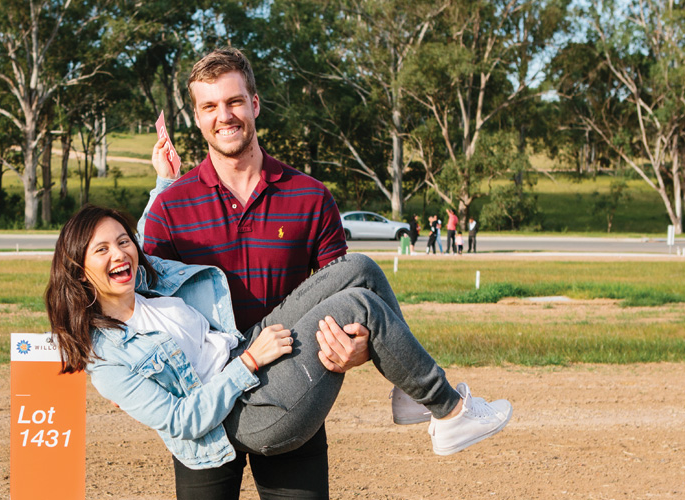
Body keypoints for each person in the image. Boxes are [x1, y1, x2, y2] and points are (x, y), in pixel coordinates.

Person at [139, 47, 504, 498]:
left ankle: (418, 391)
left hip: (291, 379)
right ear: (197, 117)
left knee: (361, 272)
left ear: (254, 103)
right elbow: (149, 312)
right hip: (207, 405)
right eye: (210, 106)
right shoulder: (170, 207)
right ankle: (430, 396)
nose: (225, 116)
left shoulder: (309, 196)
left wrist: (361, 345)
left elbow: (346, 288)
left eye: (234, 101)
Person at [46, 205, 513, 498]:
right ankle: (449, 410)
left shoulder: (144, 286)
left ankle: (413, 394)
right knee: (359, 305)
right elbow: (183, 420)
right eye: (101, 250)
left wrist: (164, 178)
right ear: (80, 270)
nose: (118, 254)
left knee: (360, 269)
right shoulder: (106, 357)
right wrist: (249, 363)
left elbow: (144, 228)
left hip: (245, 351)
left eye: (122, 241)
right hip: (240, 413)